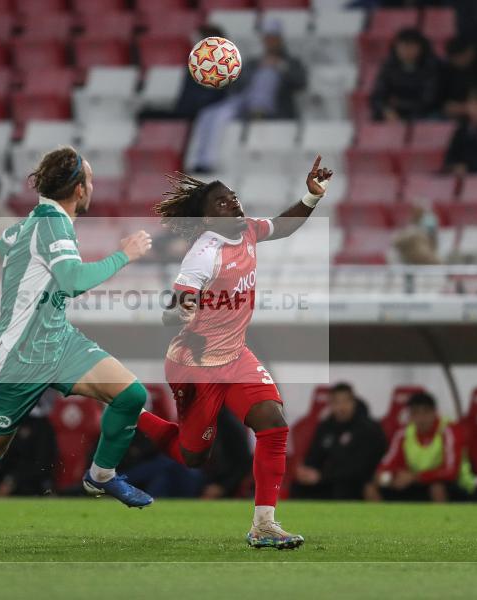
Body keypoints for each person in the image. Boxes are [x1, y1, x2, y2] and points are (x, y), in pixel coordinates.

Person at [0, 147, 156, 552]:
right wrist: (124, 254)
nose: (93, 187)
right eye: (91, 180)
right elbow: (73, 280)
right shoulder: (51, 226)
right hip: (18, 357)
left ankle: (100, 474)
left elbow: (15, 250)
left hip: (58, 342)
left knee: (130, 394)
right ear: (79, 189)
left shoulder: (39, 222)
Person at [136, 156, 333, 549]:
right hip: (195, 364)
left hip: (236, 355)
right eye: (222, 203)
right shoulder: (204, 253)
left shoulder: (248, 231)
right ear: (207, 220)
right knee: (193, 456)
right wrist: (180, 310)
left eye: (234, 197)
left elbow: (283, 225)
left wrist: (310, 197)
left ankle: (264, 525)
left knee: (273, 423)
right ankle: (130, 414)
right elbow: (171, 312)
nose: (234, 204)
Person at [185, 20, 307, 172]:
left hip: (272, 108)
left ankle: (258, 111)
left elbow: (301, 82)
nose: (270, 41)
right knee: (209, 114)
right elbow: (237, 85)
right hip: (244, 102)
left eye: (274, 37)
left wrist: (279, 66)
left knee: (268, 75)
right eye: (267, 37)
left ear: (280, 39)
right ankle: (201, 161)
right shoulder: (254, 62)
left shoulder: (291, 62)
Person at [292, 383, 387, 500]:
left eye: (345, 402)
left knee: (344, 487)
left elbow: (361, 467)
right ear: (330, 405)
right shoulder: (326, 427)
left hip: (357, 481)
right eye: (336, 402)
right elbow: (314, 455)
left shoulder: (368, 429)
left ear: (354, 402)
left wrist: (322, 476)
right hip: (328, 479)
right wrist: (306, 470)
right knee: (298, 487)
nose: (341, 407)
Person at [368, 391, 464, 502]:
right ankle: (381, 519)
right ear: (410, 416)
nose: (420, 418)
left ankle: (445, 519)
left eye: (425, 413)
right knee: (371, 487)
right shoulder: (403, 433)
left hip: (444, 483)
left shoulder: (448, 431)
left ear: (434, 413)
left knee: (437, 488)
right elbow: (386, 465)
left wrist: (416, 477)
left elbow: (451, 471)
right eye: (415, 413)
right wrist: (388, 478)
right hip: (413, 482)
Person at [369, 28, 441, 122]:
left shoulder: (431, 67)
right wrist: (386, 110)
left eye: (410, 47)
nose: (406, 51)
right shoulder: (389, 67)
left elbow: (429, 100)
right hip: (394, 114)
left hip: (422, 114)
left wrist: (399, 103)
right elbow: (378, 96)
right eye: (402, 47)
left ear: (421, 47)